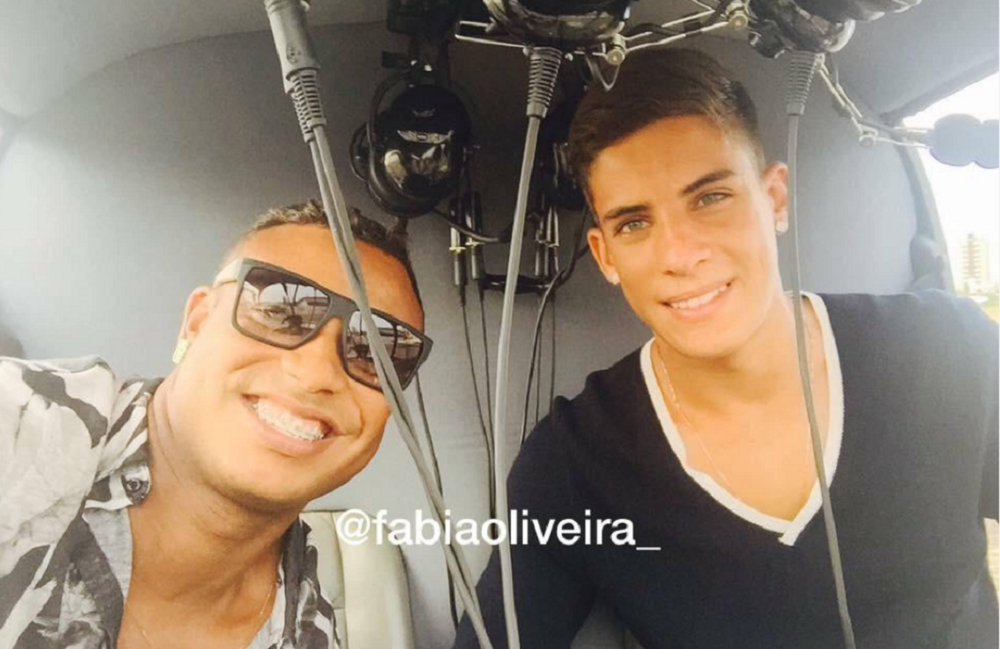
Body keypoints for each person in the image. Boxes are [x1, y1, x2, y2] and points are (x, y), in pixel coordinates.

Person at [453, 49, 998, 649]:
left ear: (775, 199)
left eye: (710, 198)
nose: (680, 254)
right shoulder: (573, 464)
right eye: (634, 223)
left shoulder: (948, 350)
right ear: (606, 256)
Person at [0, 201, 430, 649]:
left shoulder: (308, 633)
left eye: (377, 351)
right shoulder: (22, 426)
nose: (315, 373)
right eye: (279, 310)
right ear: (197, 322)